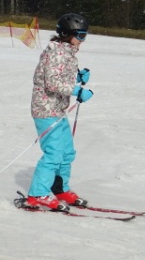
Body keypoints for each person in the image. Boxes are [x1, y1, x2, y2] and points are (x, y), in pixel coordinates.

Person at [26, 13, 94, 210]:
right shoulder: (56, 53)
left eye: (84, 35)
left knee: (66, 152)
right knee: (54, 153)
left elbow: (60, 74)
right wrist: (77, 90)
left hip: (57, 109)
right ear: (66, 34)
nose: (82, 40)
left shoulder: (67, 52)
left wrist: (77, 76)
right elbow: (52, 83)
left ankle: (60, 188)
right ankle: (37, 193)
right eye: (80, 36)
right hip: (45, 109)